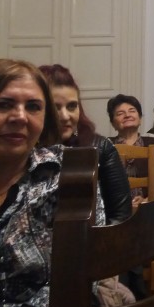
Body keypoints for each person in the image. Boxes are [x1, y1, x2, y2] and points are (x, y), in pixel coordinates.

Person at [0, 59, 70, 307]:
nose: (20, 116)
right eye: (4, 104)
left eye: (33, 107)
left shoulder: (66, 175)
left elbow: (82, 274)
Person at [39, 63, 132, 225]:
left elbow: (120, 217)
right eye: (54, 107)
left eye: (72, 106)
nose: (65, 116)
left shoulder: (100, 147)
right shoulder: (23, 151)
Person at [107, 93, 154, 205]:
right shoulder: (106, 146)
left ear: (140, 119)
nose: (127, 115)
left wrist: (147, 200)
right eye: (120, 113)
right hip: (114, 208)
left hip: (149, 208)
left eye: (132, 111)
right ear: (113, 123)